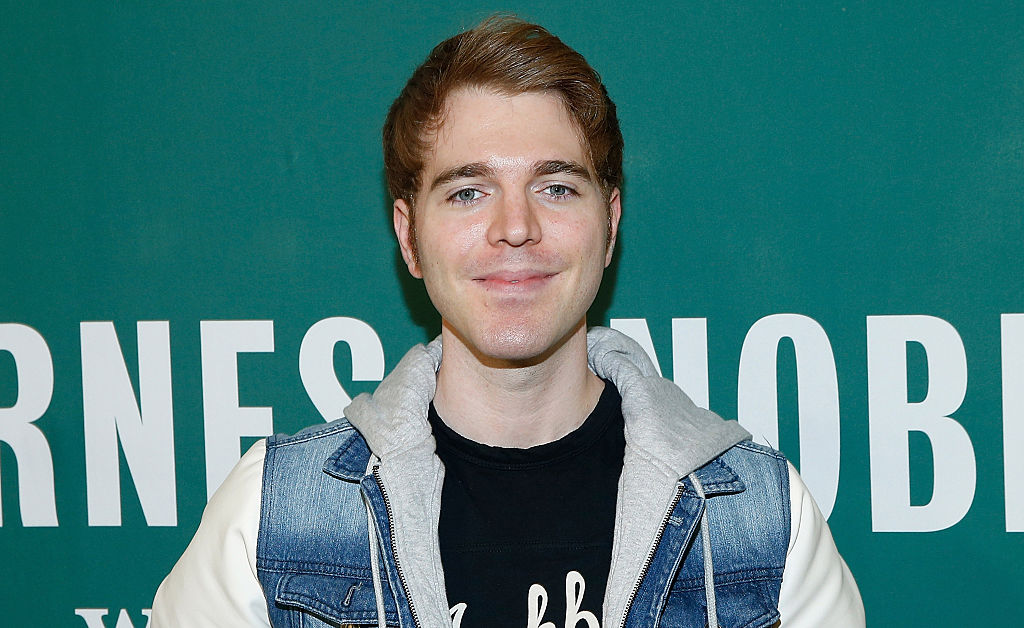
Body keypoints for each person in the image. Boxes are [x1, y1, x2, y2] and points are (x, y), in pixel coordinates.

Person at [152, 16, 864, 628]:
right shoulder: (272, 518)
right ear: (408, 237)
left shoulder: (761, 525)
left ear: (610, 225)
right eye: (468, 192)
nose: (515, 227)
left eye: (555, 187)